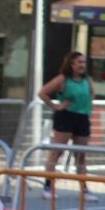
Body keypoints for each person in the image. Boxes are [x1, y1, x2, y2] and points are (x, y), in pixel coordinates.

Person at [39, 51, 94, 192]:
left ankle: (84, 188)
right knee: (57, 152)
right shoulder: (63, 79)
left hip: (82, 118)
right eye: (79, 62)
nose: (82, 65)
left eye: (84, 62)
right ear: (71, 64)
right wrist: (55, 106)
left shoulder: (87, 80)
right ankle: (48, 185)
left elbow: (91, 94)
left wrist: (87, 107)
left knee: (81, 155)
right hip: (66, 116)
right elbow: (42, 93)